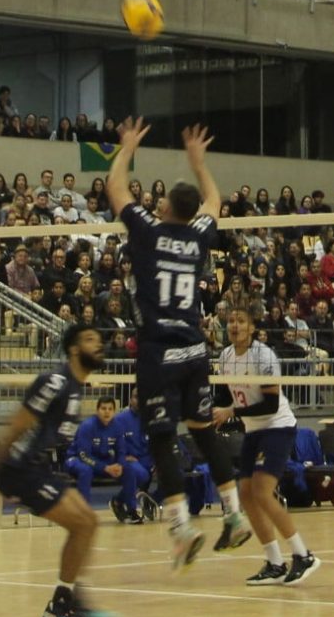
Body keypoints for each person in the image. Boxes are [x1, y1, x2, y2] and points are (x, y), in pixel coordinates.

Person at [104, 118, 245, 569]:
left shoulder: (149, 231)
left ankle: (182, 528)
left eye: (161, 199)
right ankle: (234, 514)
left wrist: (126, 148)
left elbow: (115, 189)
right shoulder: (199, 236)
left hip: (159, 351)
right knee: (204, 433)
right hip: (194, 349)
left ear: (164, 208)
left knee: (163, 439)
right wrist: (198, 162)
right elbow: (216, 202)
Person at [0, 324, 118, 617]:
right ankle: (58, 610)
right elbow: (17, 425)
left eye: (99, 339)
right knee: (82, 524)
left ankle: (73, 599)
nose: (98, 345)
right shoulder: (55, 381)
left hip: (38, 468)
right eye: (89, 339)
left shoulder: (74, 386)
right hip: (21, 469)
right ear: (73, 349)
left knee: (89, 523)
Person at [220, 307, 317, 586]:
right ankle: (275, 563)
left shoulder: (264, 356)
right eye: (230, 321)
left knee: (262, 491)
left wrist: (231, 413)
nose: (234, 326)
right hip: (253, 429)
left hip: (277, 427)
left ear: (252, 328)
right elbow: (227, 396)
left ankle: (304, 554)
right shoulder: (225, 357)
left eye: (241, 321)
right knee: (247, 493)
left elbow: (271, 403)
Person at [64, 395, 151, 522]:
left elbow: (121, 451)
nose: (106, 412)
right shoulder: (87, 426)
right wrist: (106, 468)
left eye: (110, 409)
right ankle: (83, 513)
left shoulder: (117, 426)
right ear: (97, 410)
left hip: (102, 460)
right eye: (103, 408)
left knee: (130, 470)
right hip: (77, 459)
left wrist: (120, 464)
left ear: (114, 411)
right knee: (85, 470)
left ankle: (131, 510)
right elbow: (83, 455)